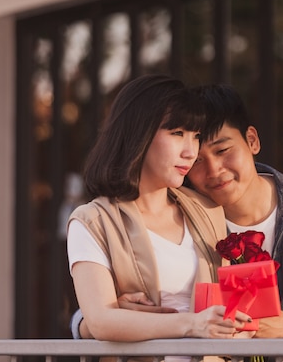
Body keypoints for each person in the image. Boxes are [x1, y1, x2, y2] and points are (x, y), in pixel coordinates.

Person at [72, 83, 283, 340]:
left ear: (251, 141)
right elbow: (110, 309)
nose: (213, 170)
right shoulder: (199, 215)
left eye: (223, 150)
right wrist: (89, 322)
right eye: (198, 160)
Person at [66, 75, 252, 348]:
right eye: (177, 133)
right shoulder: (93, 221)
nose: (191, 152)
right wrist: (192, 324)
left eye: (196, 136)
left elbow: (230, 304)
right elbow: (99, 321)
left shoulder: (207, 210)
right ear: (139, 133)